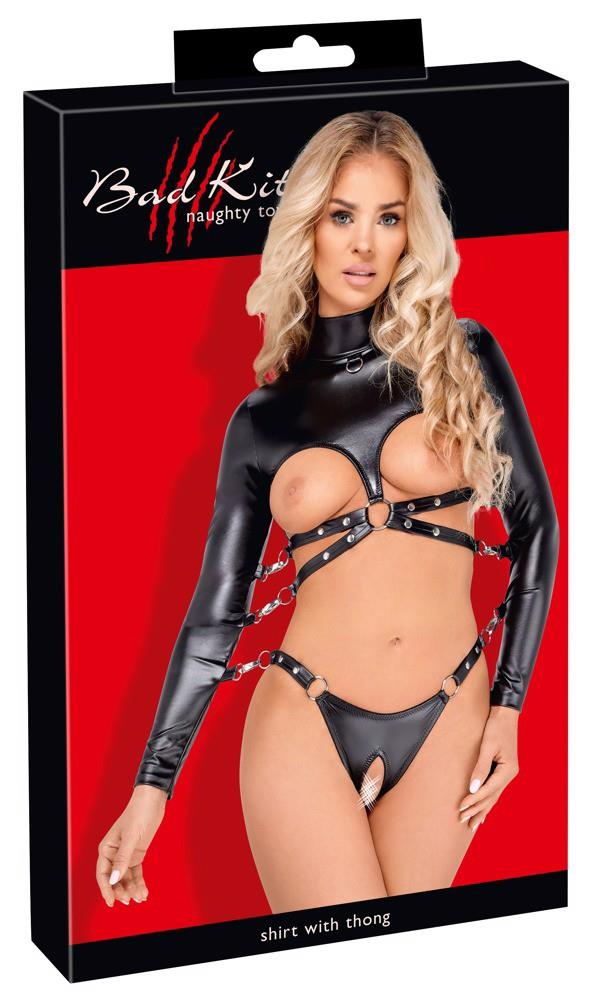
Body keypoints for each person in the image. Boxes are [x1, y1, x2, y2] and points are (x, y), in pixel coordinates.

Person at [96, 110, 559, 912]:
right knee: (330, 965)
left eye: (389, 218)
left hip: (452, 708)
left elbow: (537, 527)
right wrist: (151, 787)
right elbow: (214, 619)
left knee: (406, 963)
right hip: (302, 716)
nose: (365, 244)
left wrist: (509, 708)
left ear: (412, 232)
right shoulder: (262, 421)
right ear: (308, 224)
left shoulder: (461, 354)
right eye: (343, 216)